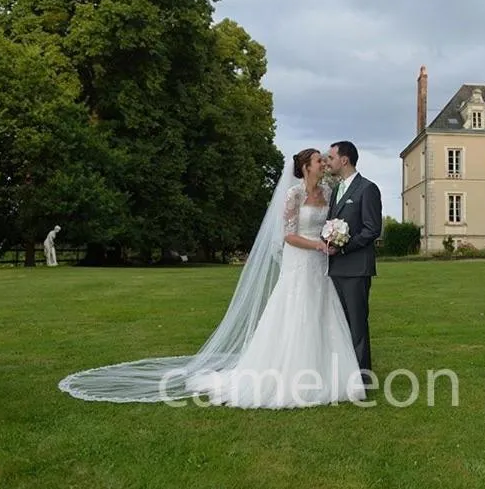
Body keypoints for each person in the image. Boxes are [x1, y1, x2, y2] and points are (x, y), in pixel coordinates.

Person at [58, 149, 366, 408]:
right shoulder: (293, 194)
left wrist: (332, 237)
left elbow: (331, 221)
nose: (322, 164)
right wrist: (316, 244)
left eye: (323, 160)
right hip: (301, 260)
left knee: (323, 312)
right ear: (304, 167)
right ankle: (290, 375)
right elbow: (287, 235)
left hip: (320, 265)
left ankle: (331, 376)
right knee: (294, 314)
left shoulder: (327, 192)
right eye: (317, 160)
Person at [325, 141, 383, 384]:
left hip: (356, 267)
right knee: (339, 324)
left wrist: (345, 246)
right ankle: (342, 373)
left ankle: (362, 378)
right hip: (335, 268)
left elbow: (372, 229)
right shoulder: (336, 190)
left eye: (331, 157)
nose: (328, 162)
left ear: (344, 160)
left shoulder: (367, 188)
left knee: (357, 324)